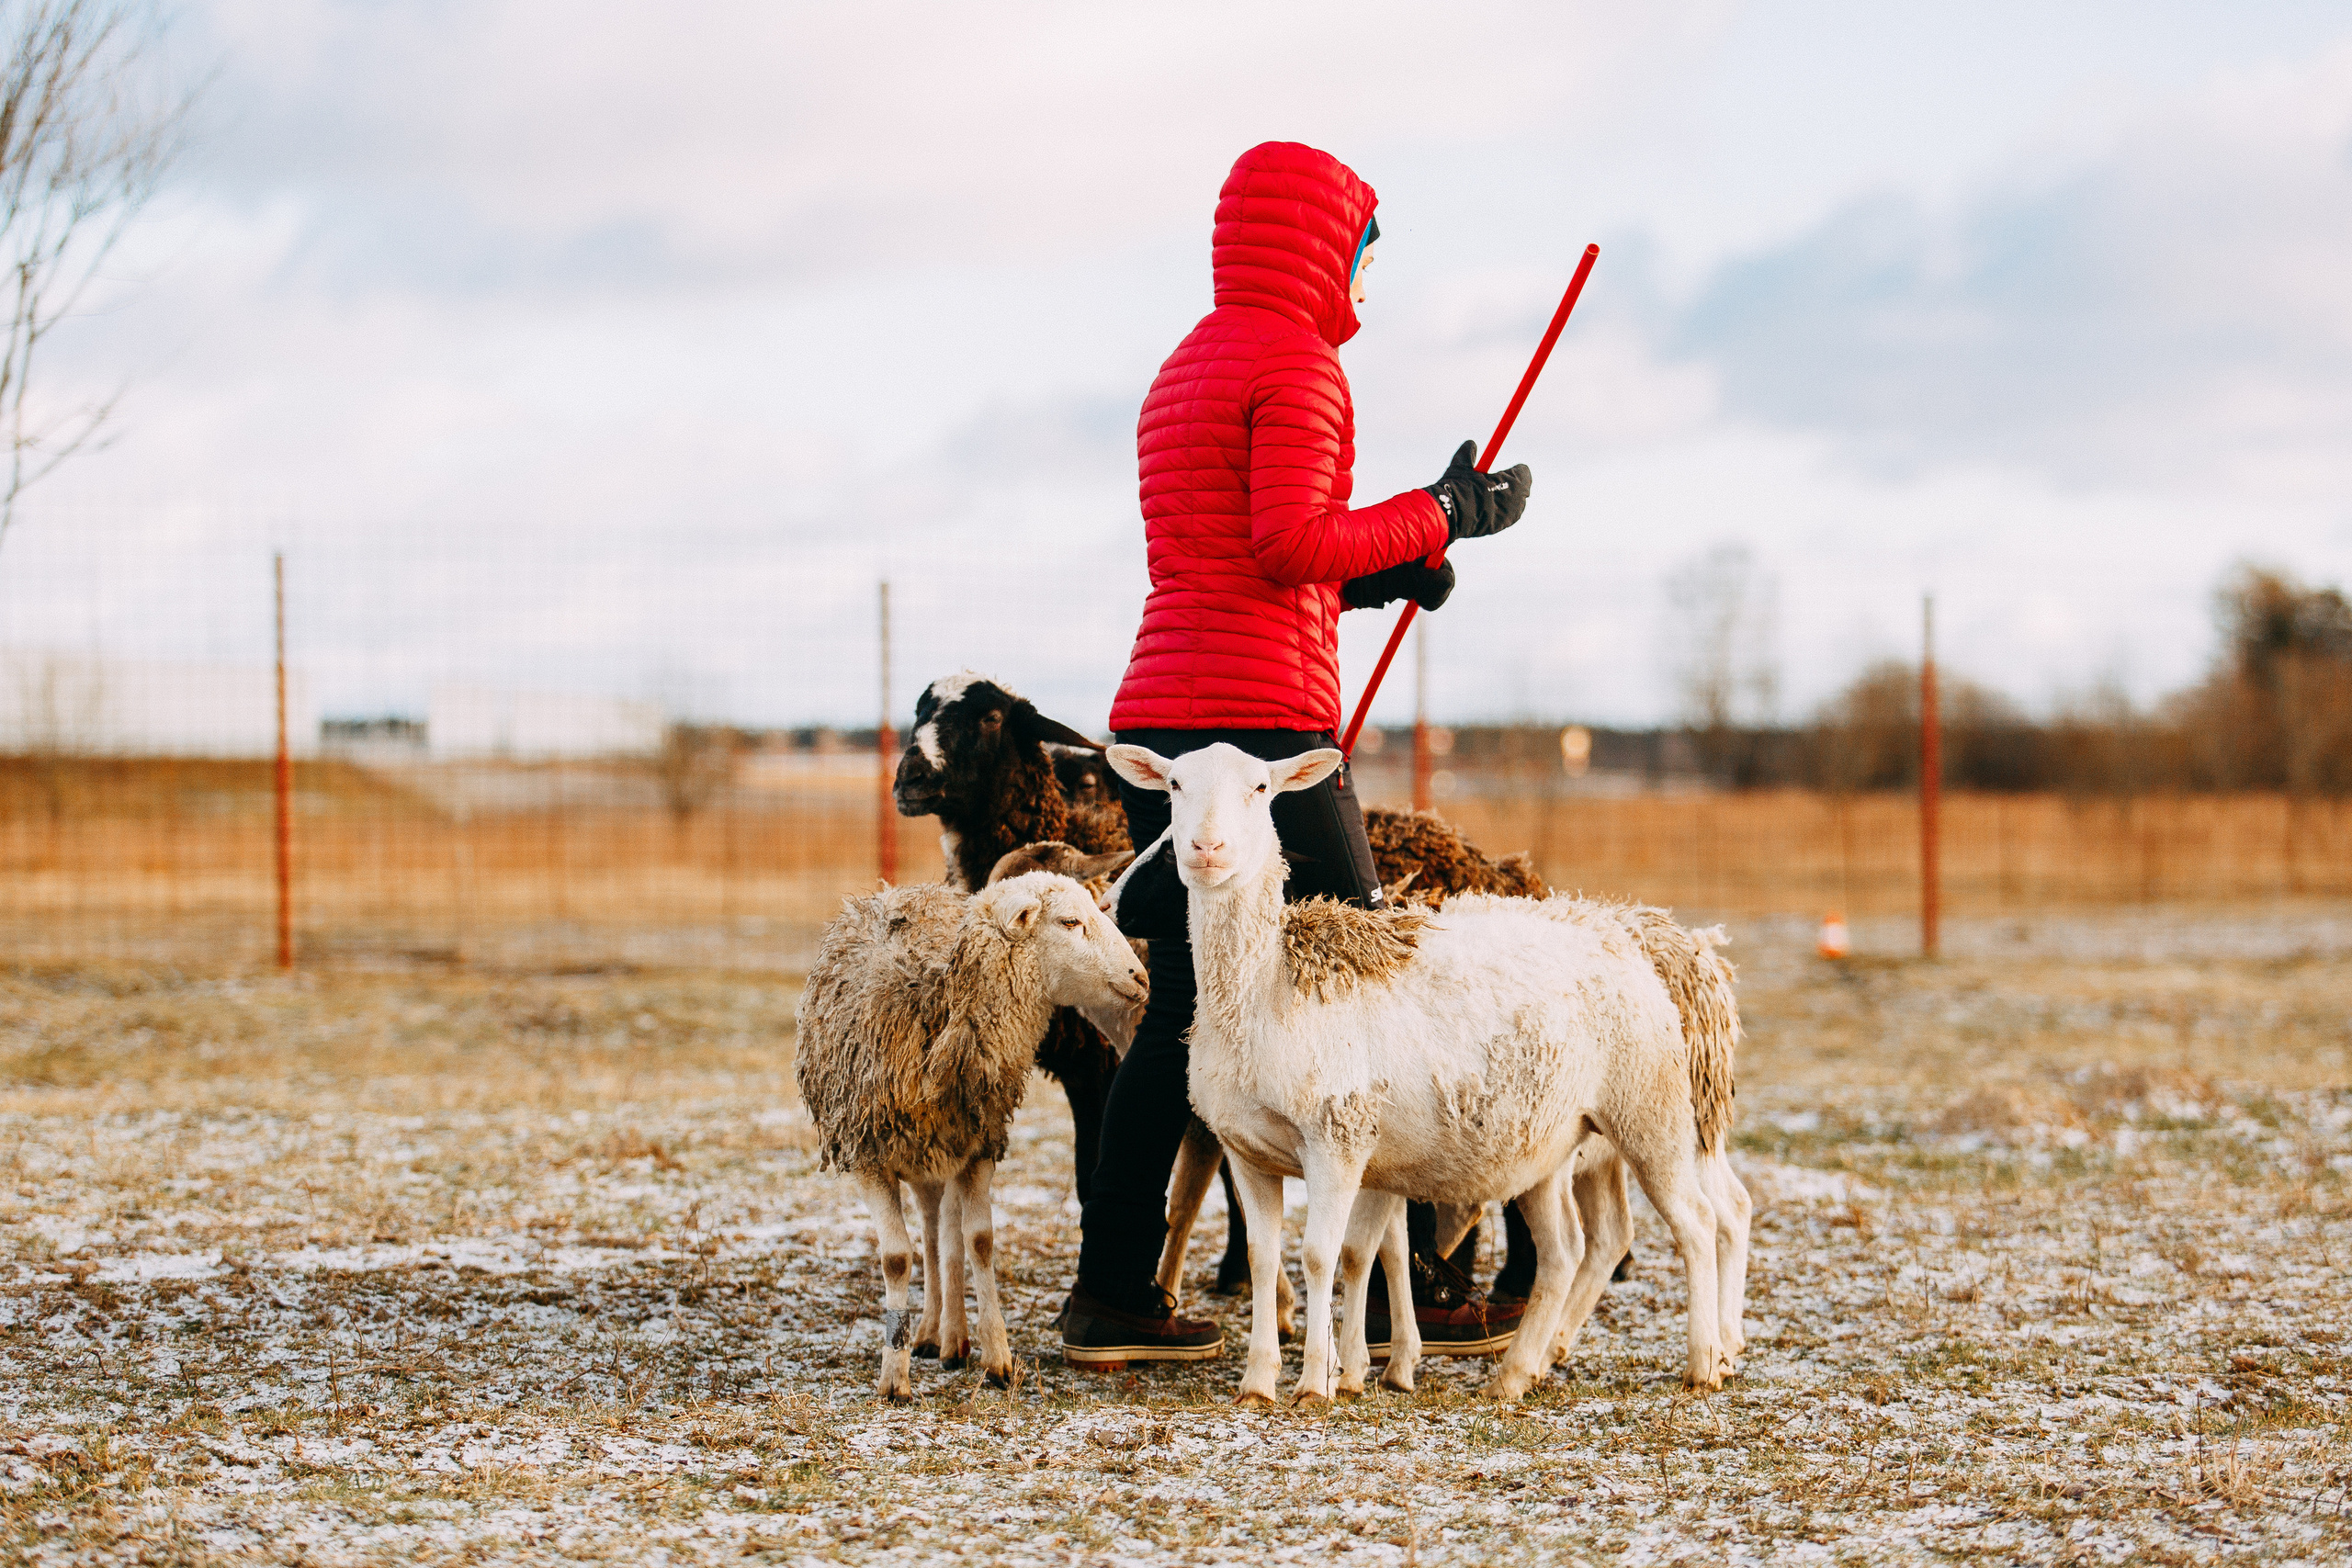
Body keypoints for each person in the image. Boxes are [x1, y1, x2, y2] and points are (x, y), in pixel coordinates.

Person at [1059, 141, 1532, 1365]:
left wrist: (1384, 577)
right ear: (1326, 246)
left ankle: (1112, 1289)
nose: (1371, 282)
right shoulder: (1301, 366)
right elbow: (1288, 543)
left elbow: (1236, 561)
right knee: (1369, 980)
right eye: (1369, 254)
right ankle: (1405, 1298)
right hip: (1261, 725)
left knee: (1184, 1007)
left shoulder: (1187, 366)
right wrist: (1445, 512)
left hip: (1162, 716)